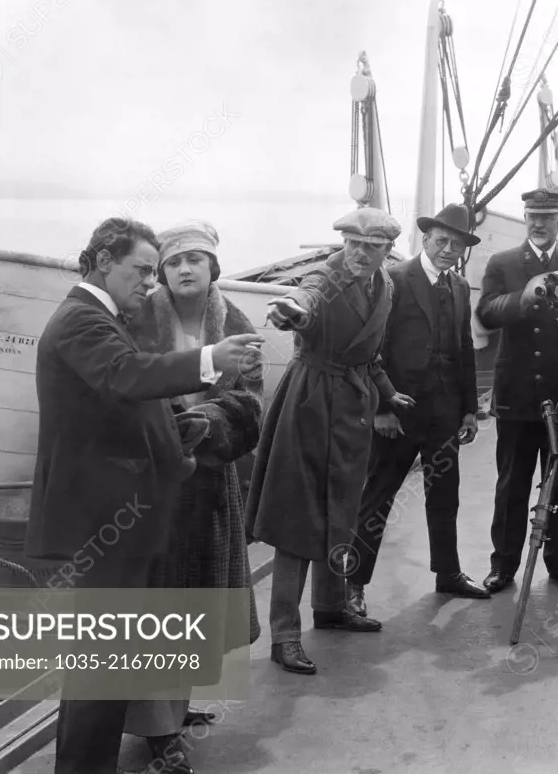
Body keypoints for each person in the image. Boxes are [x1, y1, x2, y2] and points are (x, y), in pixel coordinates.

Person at [25, 217, 263, 774]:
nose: (149, 281)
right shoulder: (83, 321)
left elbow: (133, 399)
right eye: (140, 269)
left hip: (124, 514)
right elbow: (128, 377)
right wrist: (212, 361)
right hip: (105, 519)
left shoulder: (104, 317)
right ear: (103, 260)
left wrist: (184, 444)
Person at [245, 206, 416, 676]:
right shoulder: (325, 277)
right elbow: (306, 300)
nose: (360, 254)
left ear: (385, 251)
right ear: (343, 242)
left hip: (353, 409)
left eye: (372, 247)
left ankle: (331, 607)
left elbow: (371, 355)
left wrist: (386, 394)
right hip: (310, 405)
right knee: (297, 520)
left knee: (342, 512)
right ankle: (284, 636)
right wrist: (292, 313)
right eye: (353, 244)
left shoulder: (386, 286)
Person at [123, 221, 265, 773]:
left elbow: (252, 402)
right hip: (150, 484)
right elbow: (120, 383)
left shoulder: (235, 323)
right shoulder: (135, 319)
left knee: (194, 602)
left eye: (195, 261)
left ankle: (173, 710)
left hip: (207, 482)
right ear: (160, 271)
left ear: (212, 269)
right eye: (174, 261)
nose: (184, 269)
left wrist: (205, 420)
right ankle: (156, 731)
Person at [345, 204, 488, 617]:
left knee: (445, 496)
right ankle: (353, 584)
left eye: (456, 245)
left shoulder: (459, 287)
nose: (447, 249)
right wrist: (381, 410)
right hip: (399, 412)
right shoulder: (393, 279)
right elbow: (372, 349)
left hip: (444, 414)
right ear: (424, 239)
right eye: (441, 241)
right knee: (376, 499)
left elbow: (464, 350)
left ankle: (448, 573)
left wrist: (468, 410)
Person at [475, 188, 558, 594]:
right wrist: (524, 298)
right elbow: (487, 312)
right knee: (512, 480)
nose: (539, 223)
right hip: (518, 392)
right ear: (524, 217)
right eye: (532, 215)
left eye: (548, 216)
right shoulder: (503, 262)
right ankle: (504, 564)